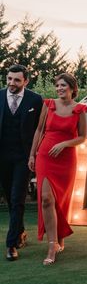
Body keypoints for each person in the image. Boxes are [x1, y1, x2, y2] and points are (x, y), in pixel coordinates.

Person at [28, 73, 87, 266]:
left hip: (66, 159)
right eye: (57, 85)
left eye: (63, 85)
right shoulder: (48, 105)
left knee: (60, 202)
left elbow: (82, 137)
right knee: (46, 199)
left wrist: (65, 144)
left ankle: (59, 237)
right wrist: (32, 154)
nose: (60, 88)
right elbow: (39, 130)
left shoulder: (80, 110)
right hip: (45, 156)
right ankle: (52, 245)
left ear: (72, 88)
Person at [0, 65, 43, 261]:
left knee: (18, 198)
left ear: (26, 81)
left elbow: (39, 130)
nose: (12, 83)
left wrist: (34, 154)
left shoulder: (35, 100)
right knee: (10, 198)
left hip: (23, 158)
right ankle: (21, 230)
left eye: (17, 80)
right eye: (9, 79)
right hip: (2, 157)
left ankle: (11, 245)